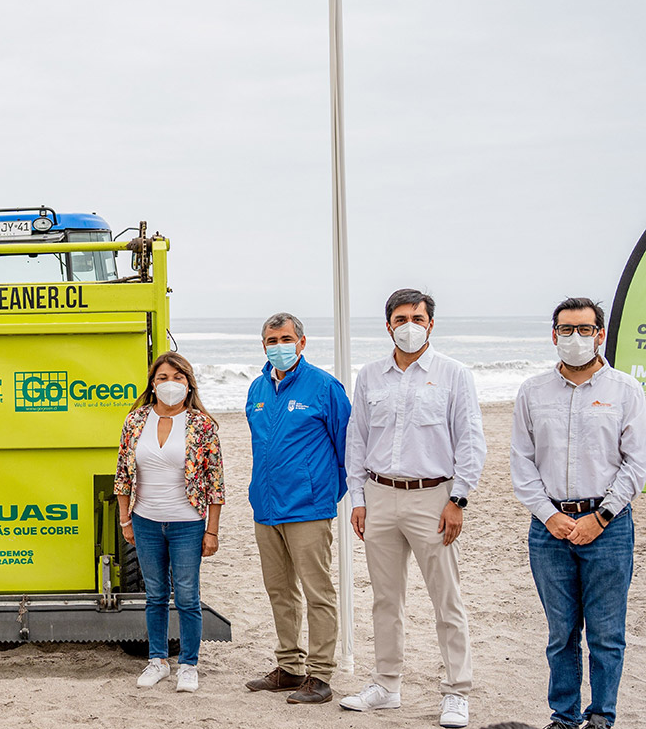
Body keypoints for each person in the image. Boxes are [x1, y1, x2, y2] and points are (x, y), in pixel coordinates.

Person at [341, 288, 486, 728]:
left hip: (433, 498)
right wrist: (359, 498)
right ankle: (387, 684)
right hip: (380, 496)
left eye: (418, 319)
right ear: (388, 325)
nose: (409, 326)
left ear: (431, 324)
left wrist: (458, 499)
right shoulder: (369, 375)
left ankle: (457, 691)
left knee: (448, 600)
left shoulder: (453, 374)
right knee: (386, 599)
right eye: (401, 318)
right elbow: (357, 439)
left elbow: (470, 440)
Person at [509, 298, 645, 729]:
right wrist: (549, 516)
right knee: (561, 634)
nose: (574, 338)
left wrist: (600, 517)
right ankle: (563, 718)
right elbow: (521, 462)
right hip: (549, 529)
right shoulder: (532, 391)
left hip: (608, 527)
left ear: (600, 334)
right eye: (565, 330)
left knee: (606, 635)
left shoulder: (625, 390)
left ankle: (601, 717)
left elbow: (636, 463)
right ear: (553, 335)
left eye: (583, 330)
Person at [243, 312, 350, 705]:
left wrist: (324, 492)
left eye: (285, 338)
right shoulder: (256, 388)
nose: (278, 346)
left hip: (307, 509)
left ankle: (320, 676)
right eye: (271, 340)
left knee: (317, 591)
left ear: (301, 343)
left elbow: (347, 447)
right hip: (266, 509)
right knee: (279, 591)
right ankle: (289, 667)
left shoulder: (324, 386)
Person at [114, 351, 224, 693]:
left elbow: (215, 481)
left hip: (188, 523)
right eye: (162, 378)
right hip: (146, 520)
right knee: (156, 594)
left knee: (188, 596)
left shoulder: (202, 425)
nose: (170, 385)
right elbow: (122, 474)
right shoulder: (135, 421)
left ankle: (188, 665)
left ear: (188, 384)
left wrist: (212, 530)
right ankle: (157, 661)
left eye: (177, 378)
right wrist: (125, 520)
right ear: (152, 384)